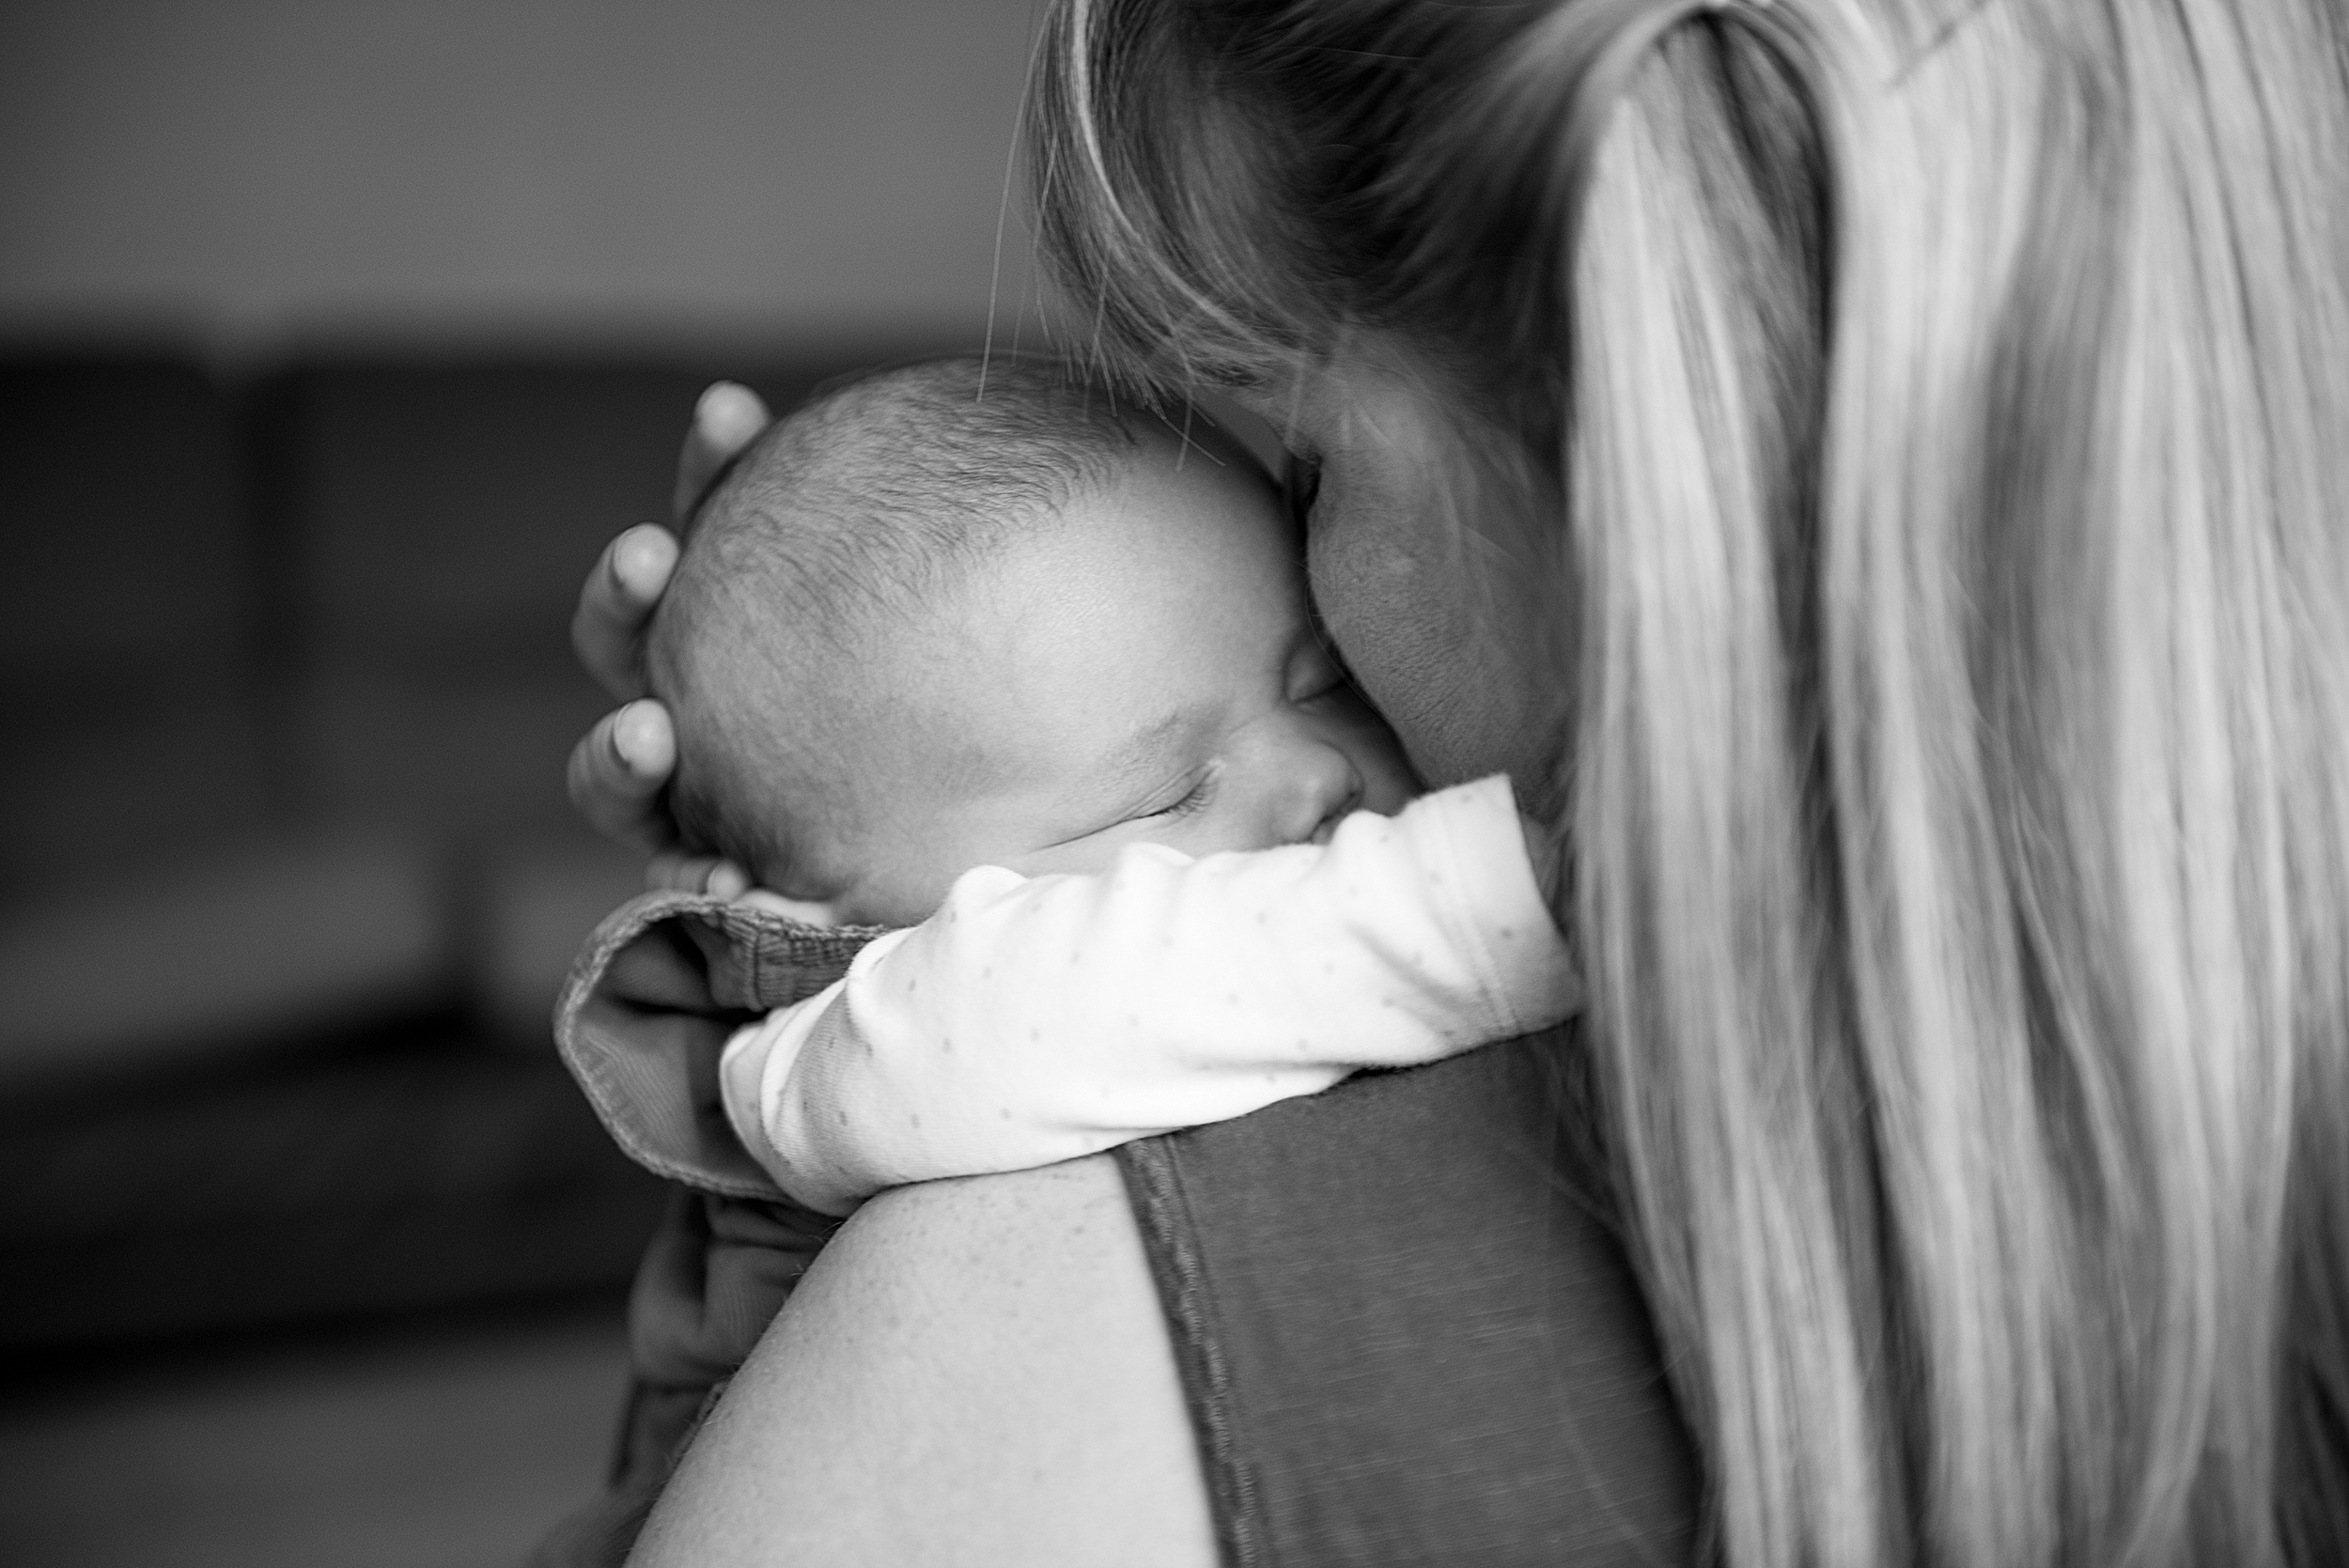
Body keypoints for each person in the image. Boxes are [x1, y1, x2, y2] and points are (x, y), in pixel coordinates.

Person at [553, 0, 2349, 1563]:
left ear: (1641, 420)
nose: (1323, 782)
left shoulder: (1049, 1333)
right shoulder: (943, 1051)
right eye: (1154, 785)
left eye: (1305, 456)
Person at [573, 351, 1575, 1218]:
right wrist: (1511, 897)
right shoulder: (856, 1054)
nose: (1318, 771)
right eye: (1170, 792)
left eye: (1322, 684)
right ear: (819, 922)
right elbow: (1038, 999)